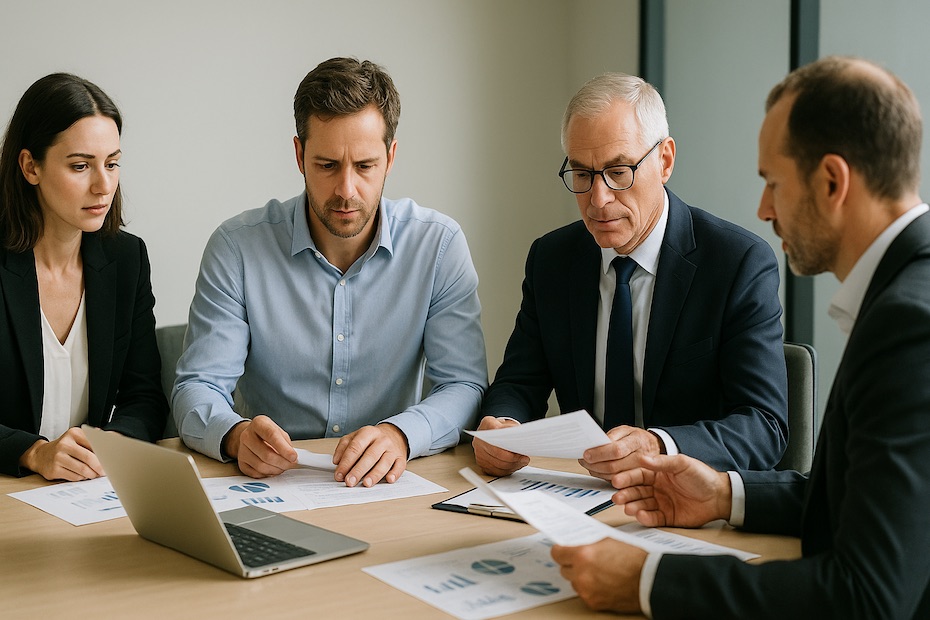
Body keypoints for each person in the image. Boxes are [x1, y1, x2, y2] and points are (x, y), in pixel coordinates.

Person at [551, 56, 930, 619]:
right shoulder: (904, 294)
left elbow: (867, 598)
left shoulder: (910, 324)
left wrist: (650, 580)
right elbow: (862, 505)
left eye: (773, 183)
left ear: (832, 182)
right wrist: (726, 495)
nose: (764, 208)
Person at [173, 57, 487, 487]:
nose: (346, 190)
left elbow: (464, 385)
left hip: (390, 483)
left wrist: (401, 435)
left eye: (365, 166)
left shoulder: (438, 246)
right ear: (299, 155)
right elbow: (199, 385)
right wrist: (234, 435)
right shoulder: (237, 248)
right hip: (274, 485)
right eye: (326, 165)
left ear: (390, 157)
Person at [474, 72, 787, 480]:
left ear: (666, 160)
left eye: (619, 171)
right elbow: (519, 382)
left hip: (686, 502)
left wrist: (659, 444)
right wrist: (504, 426)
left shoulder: (737, 263)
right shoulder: (552, 259)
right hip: (579, 495)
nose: (598, 200)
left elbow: (764, 427)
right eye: (583, 175)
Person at [0, 73, 168, 480]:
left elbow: (144, 398)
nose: (103, 185)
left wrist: (106, 443)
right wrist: (33, 453)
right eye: (81, 166)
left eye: (112, 163)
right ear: (30, 166)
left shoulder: (128, 258)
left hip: (86, 493)